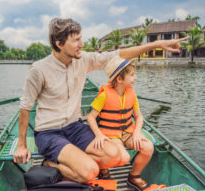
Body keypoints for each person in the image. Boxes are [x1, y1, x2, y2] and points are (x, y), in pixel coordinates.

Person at [13, 17, 188, 183]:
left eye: (81, 39)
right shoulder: (39, 70)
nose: (81, 45)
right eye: (75, 41)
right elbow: (26, 107)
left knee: (118, 156)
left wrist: (157, 44)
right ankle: (50, 164)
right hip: (49, 132)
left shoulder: (83, 60)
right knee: (91, 172)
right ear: (59, 44)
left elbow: (119, 54)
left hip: (75, 127)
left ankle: (76, 162)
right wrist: (21, 145)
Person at [87, 56, 158, 190]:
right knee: (121, 156)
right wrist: (98, 135)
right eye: (132, 75)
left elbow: (139, 117)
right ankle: (103, 170)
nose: (135, 78)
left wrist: (137, 133)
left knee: (148, 147)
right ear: (119, 79)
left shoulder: (132, 93)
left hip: (128, 132)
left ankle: (134, 176)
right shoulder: (104, 95)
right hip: (110, 134)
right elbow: (91, 117)